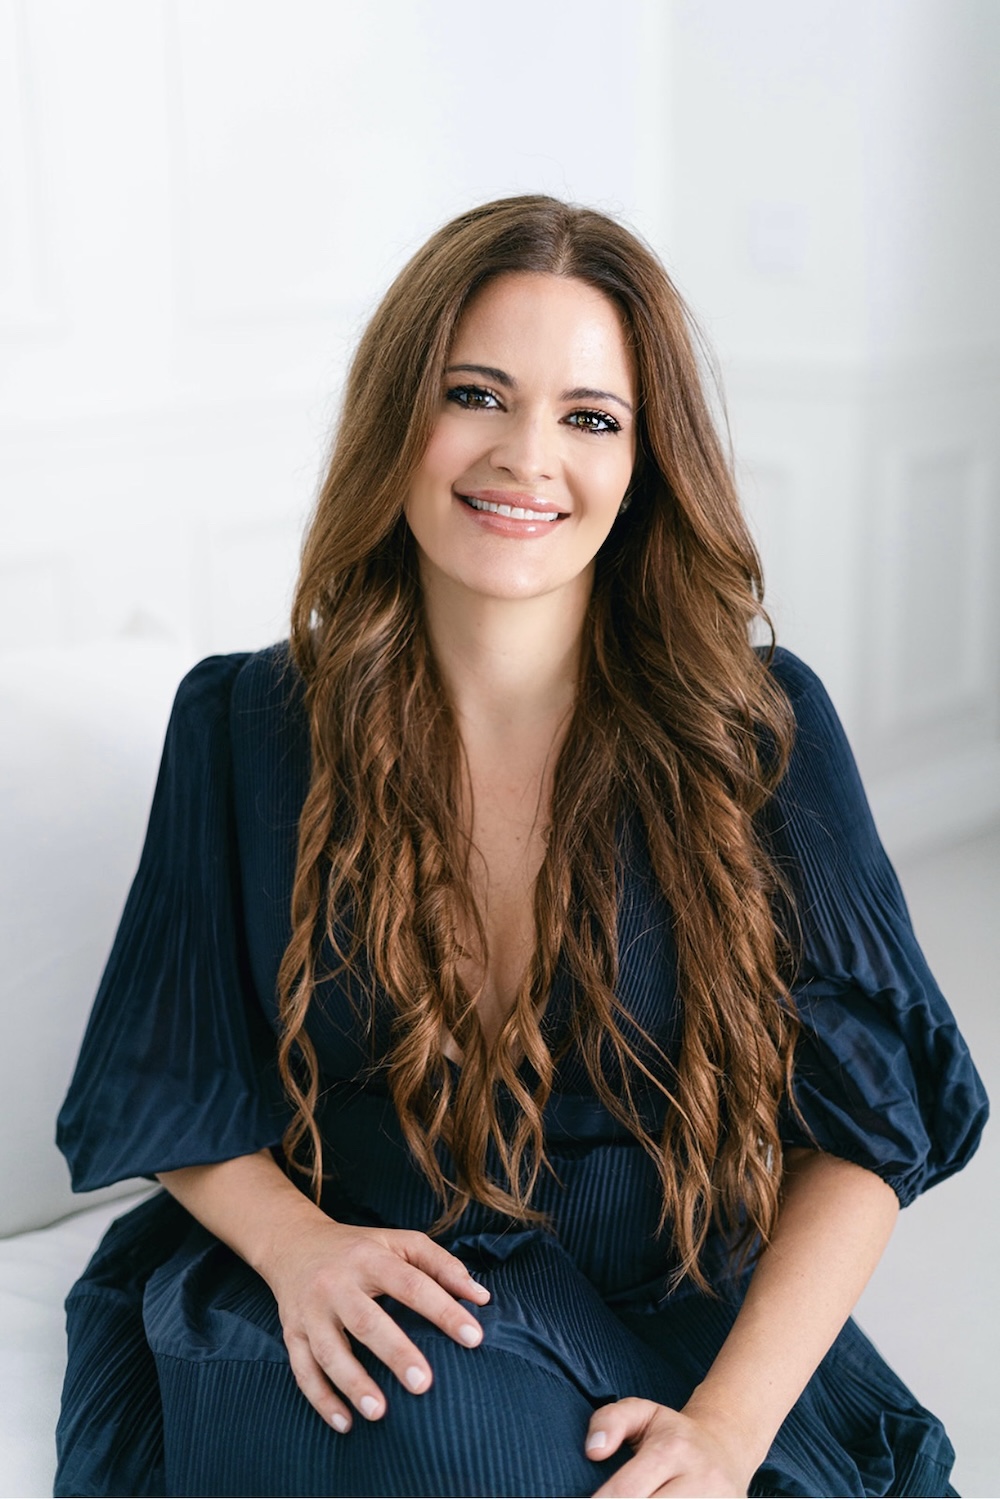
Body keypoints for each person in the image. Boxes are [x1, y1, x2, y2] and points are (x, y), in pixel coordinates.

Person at [55, 195, 987, 1499]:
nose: (525, 456)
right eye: (476, 395)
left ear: (646, 460)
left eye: (590, 417)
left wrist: (725, 1432)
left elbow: (869, 1133)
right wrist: (298, 1250)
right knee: (431, 1432)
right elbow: (170, 1078)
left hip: (661, 1306)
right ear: (399, 419)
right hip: (359, 1291)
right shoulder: (243, 723)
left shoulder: (758, 730)